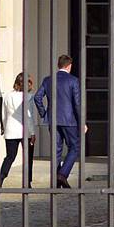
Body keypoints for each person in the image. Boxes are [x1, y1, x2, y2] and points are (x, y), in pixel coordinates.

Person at [32, 55, 85, 189]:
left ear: (59, 65)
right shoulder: (73, 80)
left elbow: (37, 97)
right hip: (69, 120)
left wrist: (44, 113)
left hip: (53, 119)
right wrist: (82, 122)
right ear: (69, 66)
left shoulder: (48, 80)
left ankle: (56, 181)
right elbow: (77, 104)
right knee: (75, 147)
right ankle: (62, 174)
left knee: (56, 150)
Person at [0, 72, 37, 188]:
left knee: (10, 156)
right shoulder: (29, 97)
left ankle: (1, 176)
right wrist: (33, 132)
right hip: (25, 130)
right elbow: (29, 117)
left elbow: (3, 114)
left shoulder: (7, 96)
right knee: (28, 157)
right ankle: (27, 182)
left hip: (10, 129)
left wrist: (4, 127)